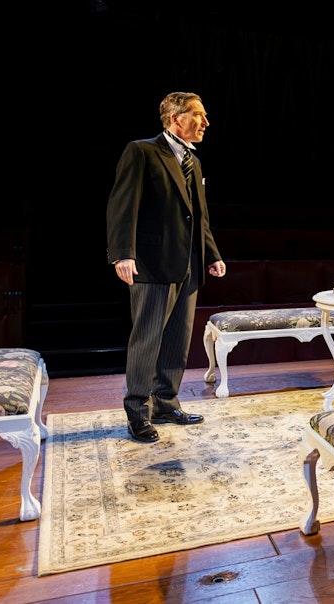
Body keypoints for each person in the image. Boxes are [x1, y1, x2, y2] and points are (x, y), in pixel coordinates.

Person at [106, 91, 227, 443]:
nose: (206, 122)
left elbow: (199, 217)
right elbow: (122, 205)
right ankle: (137, 412)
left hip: (188, 265)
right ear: (176, 118)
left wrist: (212, 254)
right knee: (147, 339)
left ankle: (165, 402)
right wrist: (121, 253)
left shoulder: (194, 161)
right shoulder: (142, 151)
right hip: (152, 264)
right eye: (198, 115)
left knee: (177, 339)